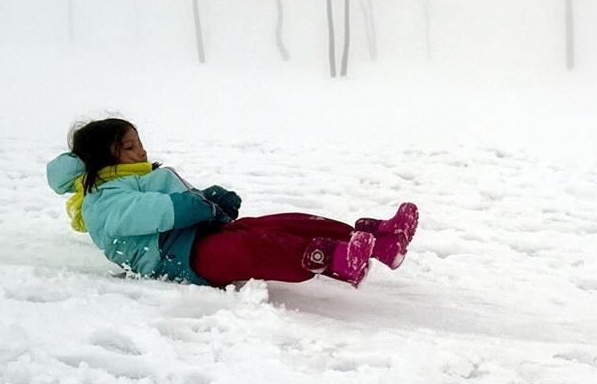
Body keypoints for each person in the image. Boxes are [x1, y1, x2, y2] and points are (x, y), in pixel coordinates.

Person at [45, 118, 419, 288]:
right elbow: (151, 213)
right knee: (254, 246)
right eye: (128, 146)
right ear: (102, 158)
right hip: (177, 259)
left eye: (138, 141)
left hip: (198, 235)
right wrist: (198, 206)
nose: (140, 149)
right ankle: (337, 259)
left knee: (277, 224)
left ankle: (378, 243)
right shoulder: (100, 200)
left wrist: (211, 200)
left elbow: (179, 201)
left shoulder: (140, 176)